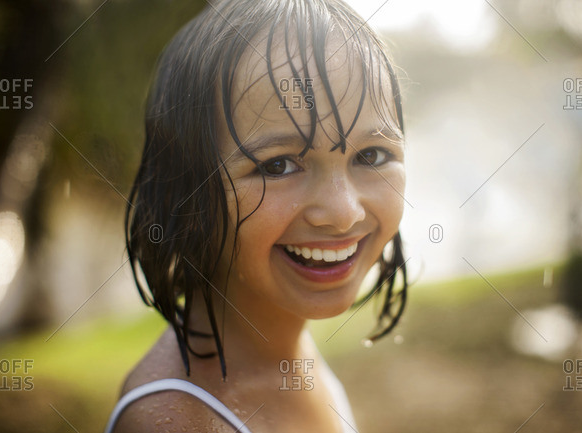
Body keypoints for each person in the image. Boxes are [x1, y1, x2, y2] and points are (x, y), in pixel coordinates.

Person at [106, 0, 408, 431]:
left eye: (372, 154)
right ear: (184, 190)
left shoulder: (286, 352)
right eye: (277, 165)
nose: (342, 213)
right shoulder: (177, 421)